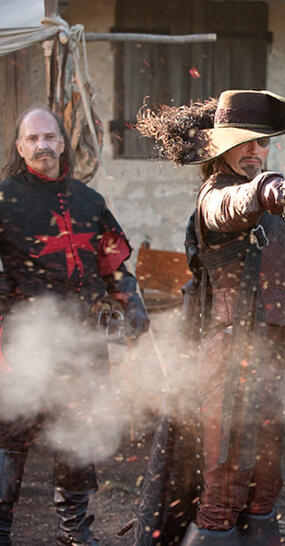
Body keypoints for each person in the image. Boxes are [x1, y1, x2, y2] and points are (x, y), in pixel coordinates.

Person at [136, 90, 285, 545]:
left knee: (265, 485)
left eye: (262, 143)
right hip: (228, 360)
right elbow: (234, 206)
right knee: (223, 486)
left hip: (269, 359)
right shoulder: (217, 195)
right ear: (221, 146)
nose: (255, 150)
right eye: (244, 141)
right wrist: (269, 189)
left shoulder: (274, 215)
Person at [0, 108, 149, 545]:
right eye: (33, 139)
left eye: (50, 137)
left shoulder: (90, 202)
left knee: (79, 432)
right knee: (10, 436)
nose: (43, 145)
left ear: (63, 142)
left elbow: (113, 264)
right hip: (22, 340)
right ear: (20, 146)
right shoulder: (3, 200)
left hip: (82, 342)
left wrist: (132, 304)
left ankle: (74, 531)